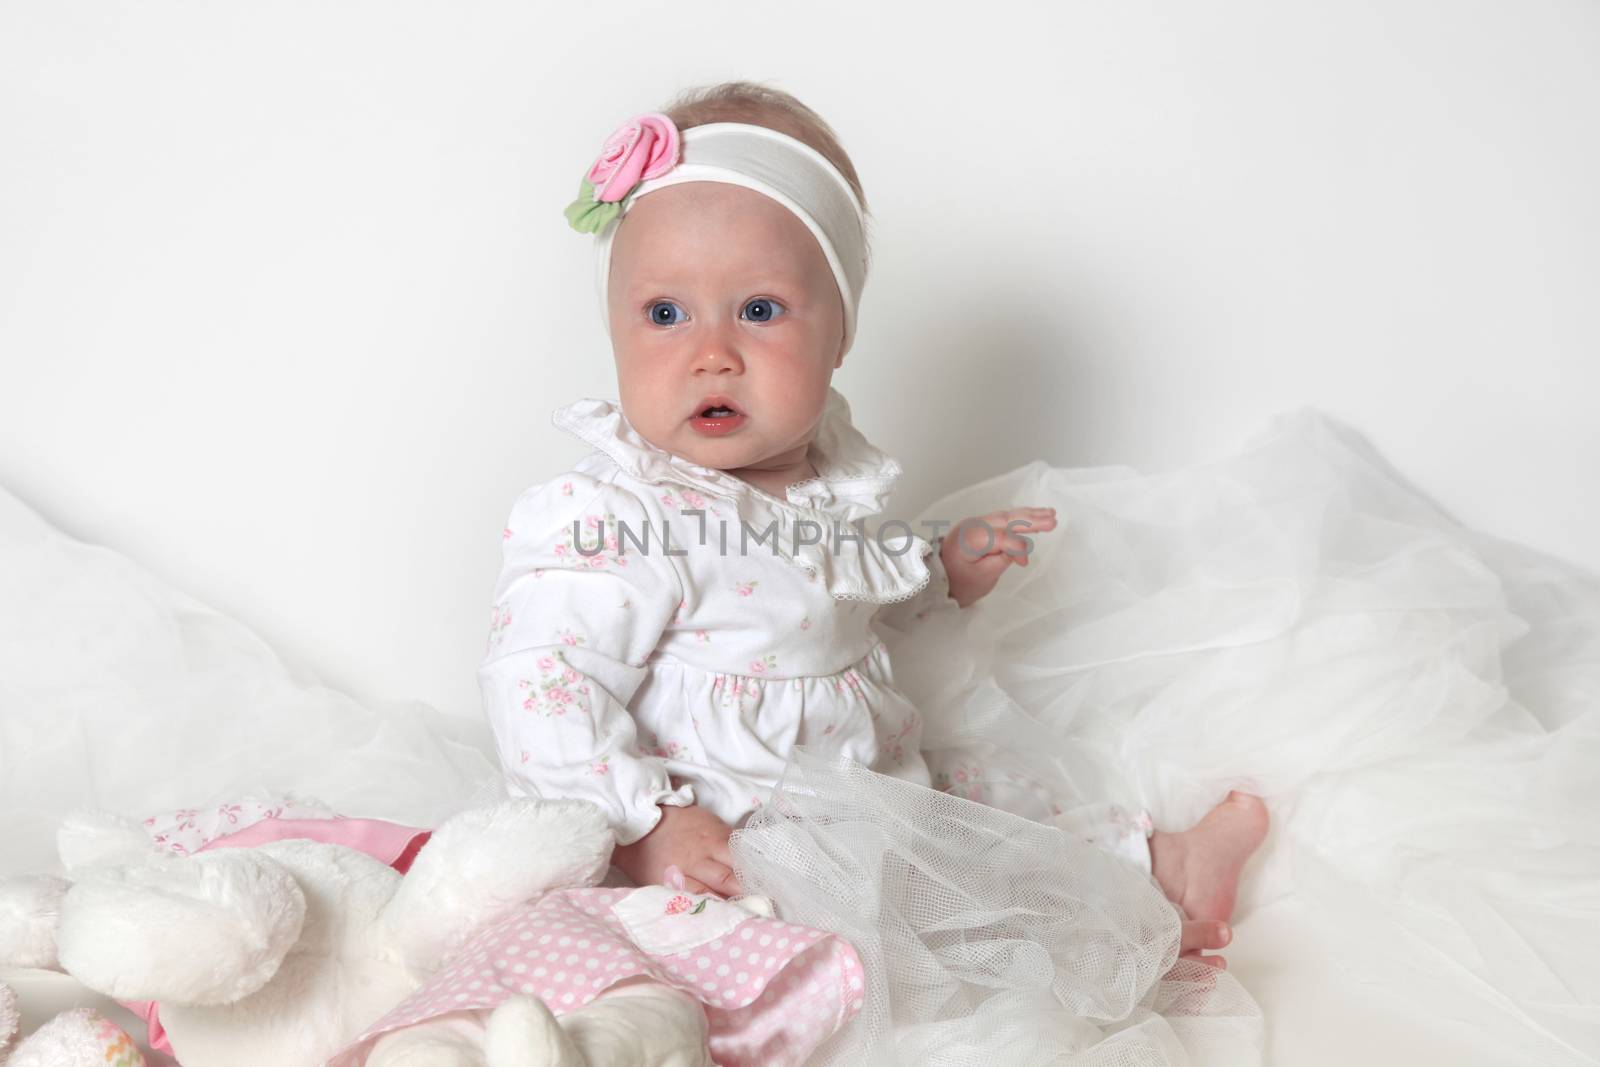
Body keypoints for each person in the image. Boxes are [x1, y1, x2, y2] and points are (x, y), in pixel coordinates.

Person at [481, 82, 1266, 974]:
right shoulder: (617, 515)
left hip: (874, 792)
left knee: (990, 822)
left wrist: (938, 568)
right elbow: (540, 681)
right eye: (664, 314)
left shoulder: (821, 480)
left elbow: (844, 588)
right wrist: (648, 823)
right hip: (725, 843)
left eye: (760, 310)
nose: (712, 352)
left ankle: (1157, 867)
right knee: (839, 944)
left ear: (840, 333)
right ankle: (1095, 933)